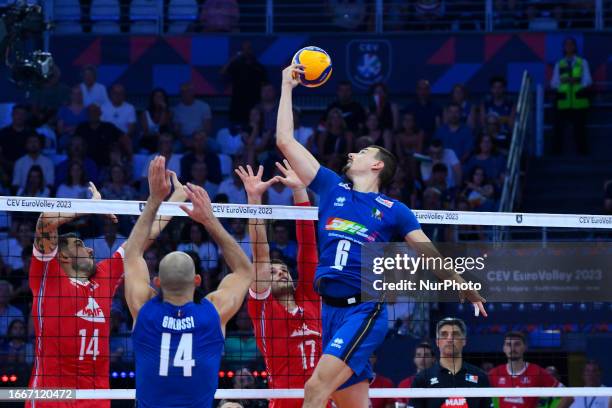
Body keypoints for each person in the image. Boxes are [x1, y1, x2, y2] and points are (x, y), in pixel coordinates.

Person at [276, 64, 486, 408]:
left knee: (315, 390)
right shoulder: (331, 187)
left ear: (376, 166)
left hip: (363, 310)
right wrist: (287, 86)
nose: (350, 154)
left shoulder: (394, 209)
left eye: (360, 153)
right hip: (328, 311)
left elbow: (428, 252)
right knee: (353, 404)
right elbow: (285, 141)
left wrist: (461, 283)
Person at [27, 174, 186, 407]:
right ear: (62, 256)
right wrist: (91, 207)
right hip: (52, 398)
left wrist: (177, 197)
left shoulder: (103, 278)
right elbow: (44, 223)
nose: (91, 251)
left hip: (96, 398)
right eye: (80, 246)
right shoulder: (47, 277)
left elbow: (143, 237)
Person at [123, 156, 255, 408]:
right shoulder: (213, 311)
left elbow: (132, 253)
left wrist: (154, 199)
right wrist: (209, 219)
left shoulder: (144, 308)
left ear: (157, 283)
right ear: (197, 280)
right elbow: (244, 271)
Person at [236, 161, 321, 408]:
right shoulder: (263, 309)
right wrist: (254, 199)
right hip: (287, 403)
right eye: (273, 272)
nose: (281, 273)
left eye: (284, 270)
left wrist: (299, 191)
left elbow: (308, 248)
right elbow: (261, 256)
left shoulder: (311, 300)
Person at [410, 318, 491, 408]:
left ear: (464, 341)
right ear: (437, 342)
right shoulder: (422, 379)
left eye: (455, 334)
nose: (449, 339)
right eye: (444, 334)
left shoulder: (480, 377)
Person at [489, 331, 562, 408]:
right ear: (504, 348)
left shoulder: (537, 372)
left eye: (517, 344)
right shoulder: (495, 373)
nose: (512, 348)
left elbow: (568, 397)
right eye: (508, 344)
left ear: (524, 347)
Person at [550, 37, 592, 156]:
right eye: (566, 45)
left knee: (580, 129)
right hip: (563, 101)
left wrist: (577, 81)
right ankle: (556, 154)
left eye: (571, 44)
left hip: (579, 101)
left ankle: (582, 154)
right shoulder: (559, 63)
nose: (569, 47)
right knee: (558, 129)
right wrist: (565, 82)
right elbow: (554, 83)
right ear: (563, 48)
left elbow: (588, 81)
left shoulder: (582, 62)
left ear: (575, 47)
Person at [395, 342, 437, 407]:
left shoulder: (441, 382)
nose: (422, 359)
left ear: (433, 359)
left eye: (426, 355)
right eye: (418, 355)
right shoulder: (404, 384)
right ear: (414, 359)